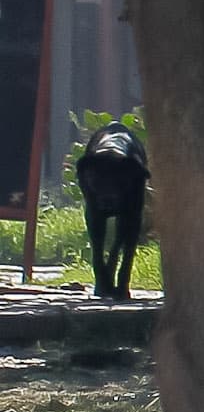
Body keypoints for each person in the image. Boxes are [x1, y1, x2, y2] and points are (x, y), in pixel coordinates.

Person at [70, 121, 147, 301]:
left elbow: (133, 231)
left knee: (128, 233)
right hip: (98, 188)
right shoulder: (89, 167)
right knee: (97, 238)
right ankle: (101, 278)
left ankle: (122, 281)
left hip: (126, 190)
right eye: (101, 181)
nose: (108, 192)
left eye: (115, 183)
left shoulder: (134, 169)